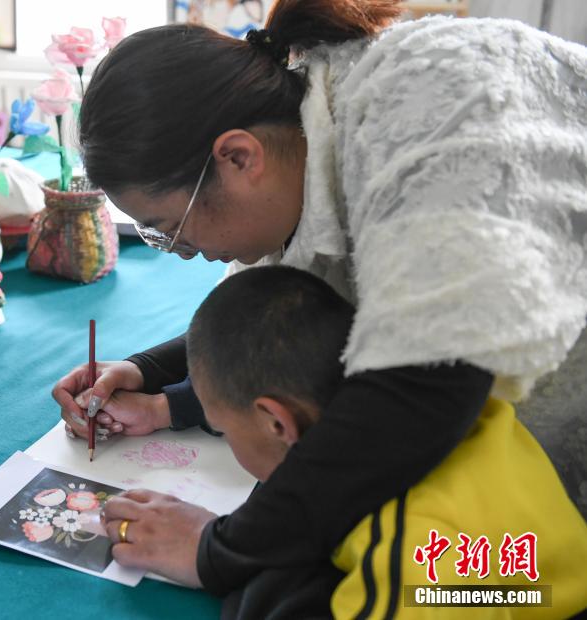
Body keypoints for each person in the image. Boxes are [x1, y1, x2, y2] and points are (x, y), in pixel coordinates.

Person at [52, 0, 587, 596]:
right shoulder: (303, 144)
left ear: (238, 158)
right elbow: (283, 323)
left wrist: (218, 549)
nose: (177, 252)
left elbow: (425, 383)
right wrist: (149, 375)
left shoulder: (427, 105)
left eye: (168, 229)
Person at [110, 265, 587, 618]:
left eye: (224, 429)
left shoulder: (412, 543)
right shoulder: (455, 411)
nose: (227, 439)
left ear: (277, 423)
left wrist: (249, 569)